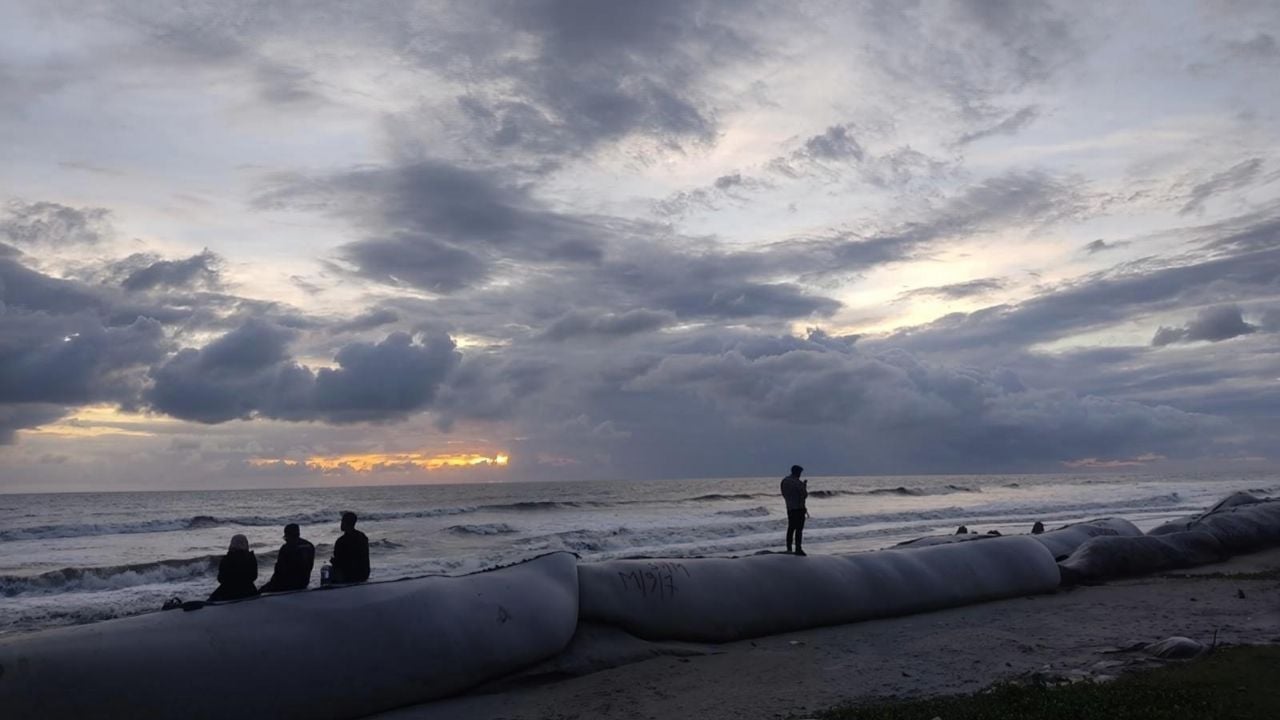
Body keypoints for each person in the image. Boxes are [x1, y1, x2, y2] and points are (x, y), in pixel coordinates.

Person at [260, 523, 315, 593]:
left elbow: (279, 571)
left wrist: (272, 582)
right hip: (304, 583)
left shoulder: (286, 548)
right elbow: (310, 566)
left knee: (260, 591)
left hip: (286, 585)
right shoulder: (310, 545)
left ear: (288, 535)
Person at [209, 534, 259, 601]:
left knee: (211, 601)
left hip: (229, 591)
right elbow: (254, 576)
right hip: (249, 590)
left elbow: (221, 579)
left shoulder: (227, 558)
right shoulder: (251, 557)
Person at [331, 511, 370, 583]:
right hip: (364, 574)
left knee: (328, 569)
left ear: (345, 523)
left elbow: (340, 562)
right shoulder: (362, 536)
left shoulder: (341, 541)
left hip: (350, 575)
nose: (341, 524)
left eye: (342, 521)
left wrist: (333, 561)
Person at [780, 465, 809, 556]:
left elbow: (784, 494)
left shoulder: (784, 481)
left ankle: (789, 548)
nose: (800, 474)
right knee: (799, 529)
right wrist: (804, 486)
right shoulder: (798, 482)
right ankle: (798, 548)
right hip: (799, 508)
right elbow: (804, 495)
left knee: (791, 528)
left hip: (790, 508)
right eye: (800, 472)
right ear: (797, 472)